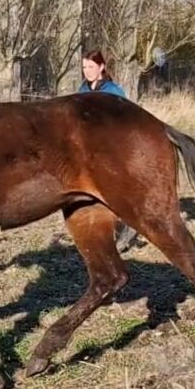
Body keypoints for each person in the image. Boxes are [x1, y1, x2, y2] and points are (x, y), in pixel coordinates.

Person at [78, 49, 139, 253]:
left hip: (111, 149)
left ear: (102, 67)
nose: (87, 71)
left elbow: (124, 121)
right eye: (84, 67)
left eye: (91, 67)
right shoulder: (82, 90)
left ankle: (128, 225)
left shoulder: (114, 91)